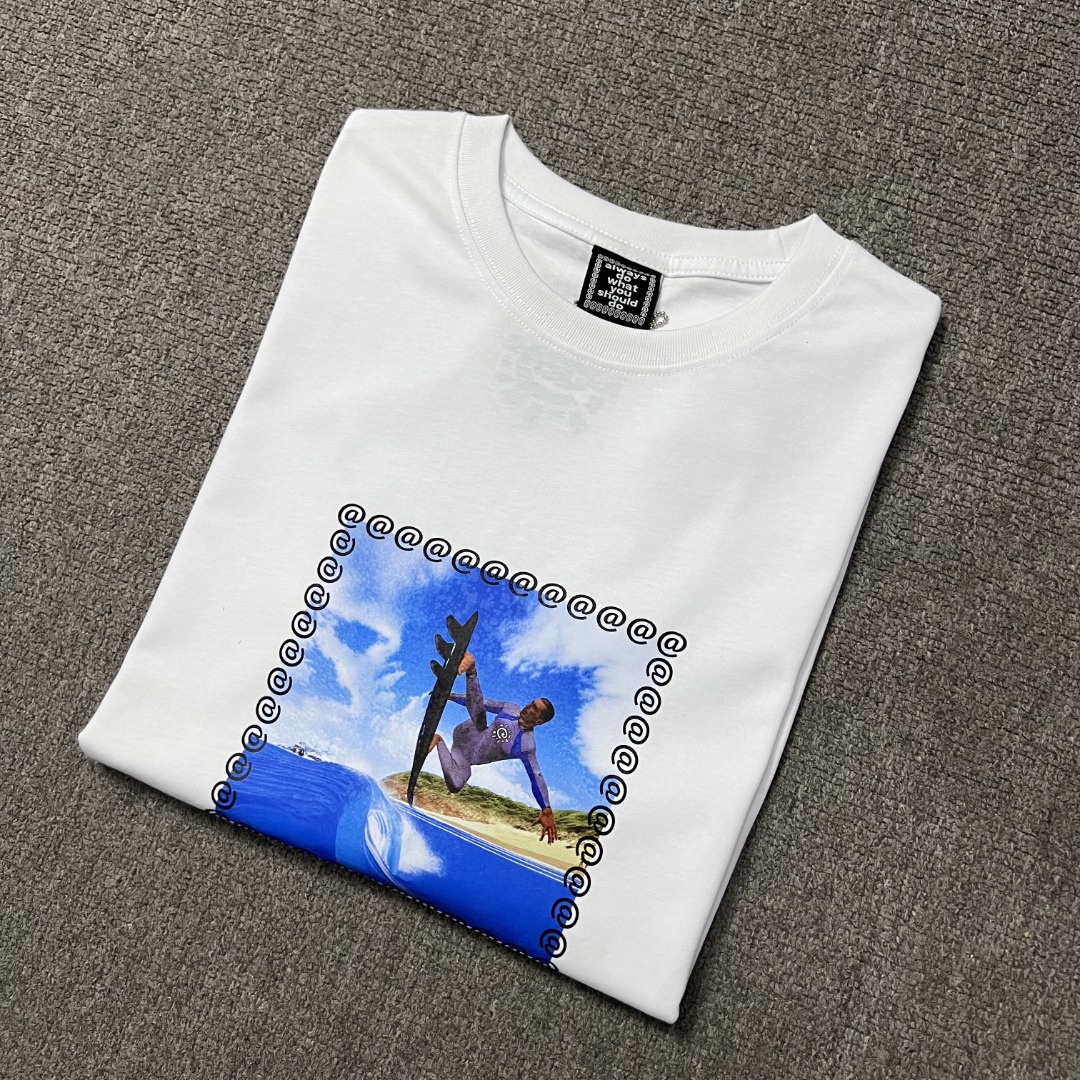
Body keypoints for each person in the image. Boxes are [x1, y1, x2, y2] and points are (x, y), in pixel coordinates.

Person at [428, 650, 559, 843]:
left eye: (534, 708)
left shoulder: (526, 746)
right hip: (467, 732)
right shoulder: (510, 708)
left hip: (465, 757)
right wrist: (450, 696)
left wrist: (546, 808)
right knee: (481, 719)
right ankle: (471, 670)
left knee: (456, 784)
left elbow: (536, 775)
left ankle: (437, 740)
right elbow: (482, 703)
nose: (528, 707)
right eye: (531, 703)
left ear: (539, 721)